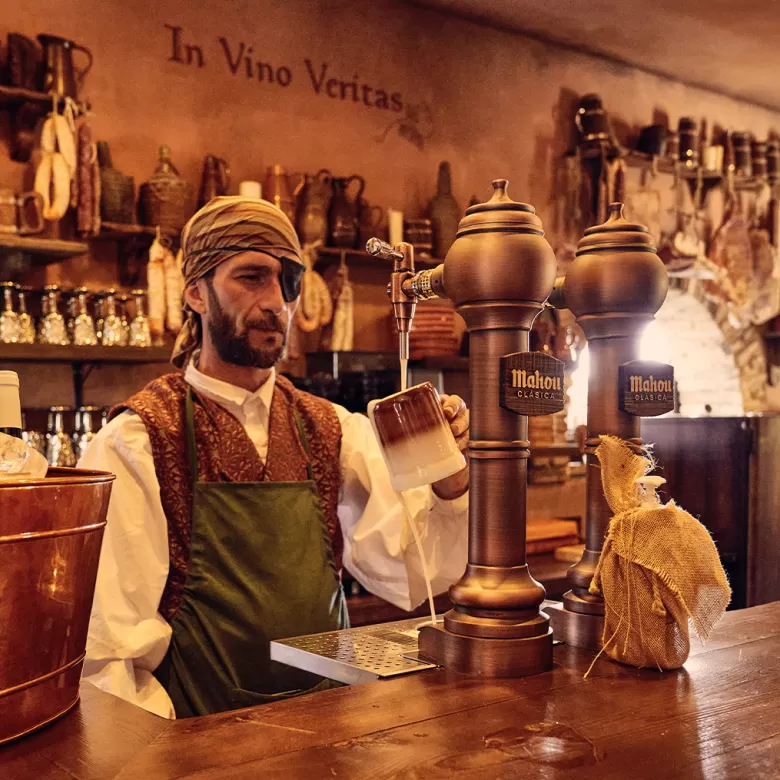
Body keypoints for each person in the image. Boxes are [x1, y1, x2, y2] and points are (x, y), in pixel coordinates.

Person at [79, 196, 470, 719]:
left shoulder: (331, 427)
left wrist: (448, 483)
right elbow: (110, 656)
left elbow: (413, 575)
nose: (275, 302)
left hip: (330, 728)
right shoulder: (140, 438)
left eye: (287, 281)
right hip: (200, 741)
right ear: (196, 292)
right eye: (251, 278)